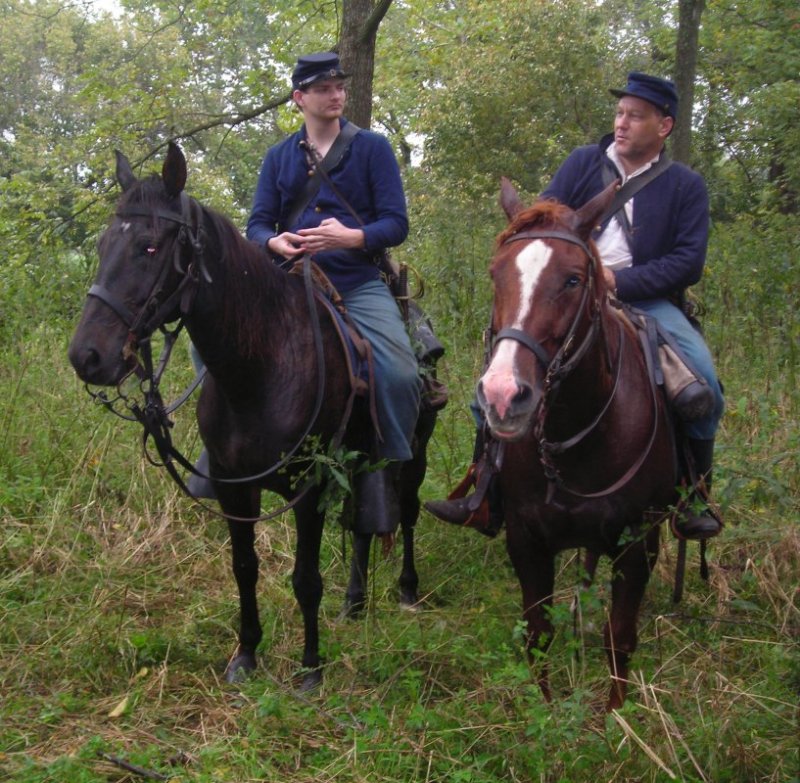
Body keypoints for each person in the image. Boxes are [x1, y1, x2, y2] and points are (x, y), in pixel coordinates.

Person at [425, 71, 723, 540]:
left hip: (647, 301)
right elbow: (542, 223)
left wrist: (619, 280)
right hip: (567, 294)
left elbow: (687, 262)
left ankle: (693, 494)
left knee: (702, 388)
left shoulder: (686, 185)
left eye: (636, 116)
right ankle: (485, 489)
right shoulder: (584, 162)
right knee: (495, 384)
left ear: (664, 126)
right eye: (620, 113)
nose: (622, 123)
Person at [244, 51, 421, 532]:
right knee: (216, 346)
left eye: (339, 86)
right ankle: (225, 449)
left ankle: (383, 469)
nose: (336, 95)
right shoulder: (279, 156)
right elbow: (257, 224)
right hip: (287, 286)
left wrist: (352, 237)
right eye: (323, 89)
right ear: (299, 98)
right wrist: (273, 242)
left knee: (401, 373)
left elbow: (396, 224)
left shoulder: (373, 148)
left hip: (354, 282)